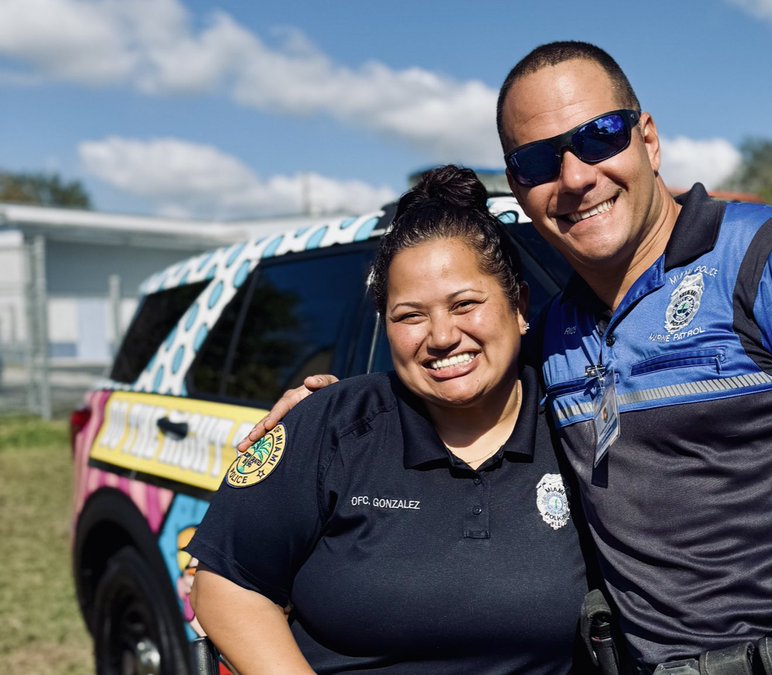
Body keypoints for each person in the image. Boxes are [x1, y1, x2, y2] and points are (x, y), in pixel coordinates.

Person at [243, 42, 772, 674]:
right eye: (539, 159)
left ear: (648, 138)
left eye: (600, 135)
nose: (576, 176)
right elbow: (456, 382)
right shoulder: (555, 332)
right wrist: (316, 421)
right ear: (518, 186)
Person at [187, 166, 592, 674]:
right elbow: (226, 584)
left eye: (465, 304)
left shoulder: (579, 426)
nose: (441, 336)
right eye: (410, 316)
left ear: (519, 306)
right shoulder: (331, 426)